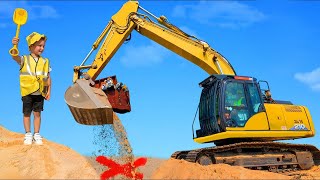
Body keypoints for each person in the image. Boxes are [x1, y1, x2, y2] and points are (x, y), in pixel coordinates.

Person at [11, 32, 51, 145]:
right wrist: (15, 46)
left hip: (40, 92)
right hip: (27, 91)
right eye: (39, 45)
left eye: (43, 46)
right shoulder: (24, 59)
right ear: (31, 46)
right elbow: (14, 56)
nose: (42, 48)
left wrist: (49, 91)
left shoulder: (45, 61)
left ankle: (37, 134)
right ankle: (28, 134)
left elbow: (48, 77)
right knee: (27, 113)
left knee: (37, 113)